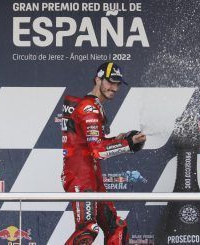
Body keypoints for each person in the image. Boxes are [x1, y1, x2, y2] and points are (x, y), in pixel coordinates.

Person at [61, 61, 146, 245]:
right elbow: (98, 151)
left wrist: (121, 139)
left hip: (92, 175)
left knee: (116, 228)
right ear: (98, 79)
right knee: (87, 231)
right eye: (110, 82)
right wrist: (128, 143)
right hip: (79, 176)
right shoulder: (89, 108)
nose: (114, 88)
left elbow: (95, 144)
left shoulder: (96, 106)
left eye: (117, 84)